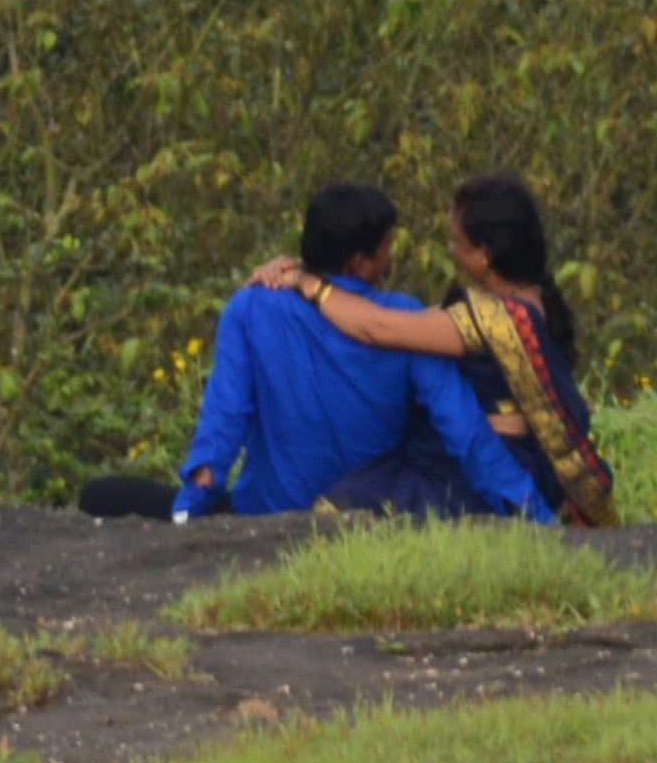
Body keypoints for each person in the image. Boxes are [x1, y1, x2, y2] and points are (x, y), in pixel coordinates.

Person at [168, 182, 553, 522]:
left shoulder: (249, 307)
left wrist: (187, 510)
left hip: (267, 512)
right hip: (367, 516)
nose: (392, 256)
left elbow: (223, 422)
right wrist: (531, 508)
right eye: (387, 246)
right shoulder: (404, 319)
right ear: (360, 262)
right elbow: (464, 428)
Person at [259, 169, 619, 529]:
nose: (449, 248)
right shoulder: (524, 301)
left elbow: (377, 327)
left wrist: (309, 282)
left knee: (340, 511)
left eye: (455, 240)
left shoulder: (498, 319)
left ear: (484, 256)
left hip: (488, 470)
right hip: (477, 459)